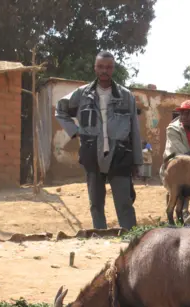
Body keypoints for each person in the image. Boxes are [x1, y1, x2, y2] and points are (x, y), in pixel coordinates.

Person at [55, 51, 142, 231]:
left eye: (108, 67)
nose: (104, 71)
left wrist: (137, 161)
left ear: (113, 69)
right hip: (92, 153)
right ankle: (100, 236)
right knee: (95, 202)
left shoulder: (126, 96)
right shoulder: (82, 94)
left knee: (124, 202)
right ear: (95, 68)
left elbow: (134, 129)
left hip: (120, 154)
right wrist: (75, 131)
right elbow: (60, 110)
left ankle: (130, 239)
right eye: (101, 67)